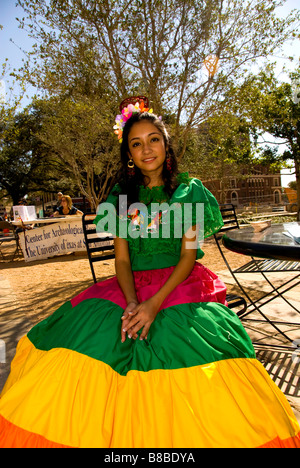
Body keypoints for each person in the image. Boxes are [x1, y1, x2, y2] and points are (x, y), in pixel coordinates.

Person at [0, 97, 299, 448]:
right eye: (136, 143)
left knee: (195, 353)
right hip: (128, 288)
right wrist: (131, 302)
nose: (146, 149)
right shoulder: (121, 197)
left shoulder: (189, 191)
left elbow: (188, 258)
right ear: (128, 152)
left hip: (179, 284)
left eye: (153, 139)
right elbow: (122, 260)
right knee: (85, 342)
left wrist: (154, 304)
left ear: (166, 143)